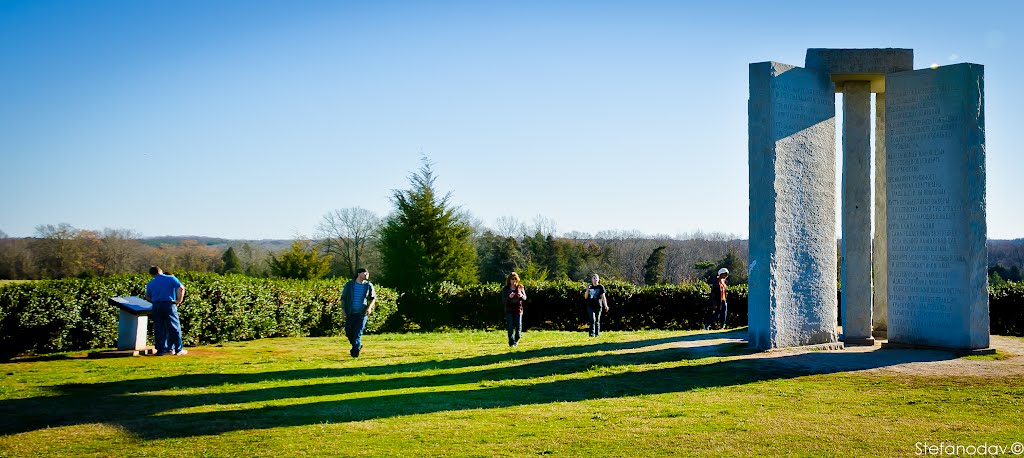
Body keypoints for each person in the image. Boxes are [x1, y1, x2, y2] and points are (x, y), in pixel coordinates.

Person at [144, 266, 187, 356]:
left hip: (156, 305)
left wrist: (156, 301)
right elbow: (181, 288)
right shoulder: (171, 278)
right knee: (174, 327)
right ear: (161, 271)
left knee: (159, 328)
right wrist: (179, 300)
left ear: (152, 274)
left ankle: (161, 350)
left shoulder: (151, 283)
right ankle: (178, 349)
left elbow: (148, 297)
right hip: (168, 304)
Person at [341, 268, 376, 358]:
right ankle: (357, 346)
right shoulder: (349, 285)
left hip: (362, 313)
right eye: (365, 273)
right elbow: (343, 298)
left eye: (367, 273)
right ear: (358, 274)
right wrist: (343, 310)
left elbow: (373, 298)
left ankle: (355, 353)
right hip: (350, 313)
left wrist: (369, 308)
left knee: (357, 333)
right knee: (348, 332)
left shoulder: (369, 285)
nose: (367, 275)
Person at [502, 272, 527, 347]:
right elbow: (503, 300)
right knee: (510, 327)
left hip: (518, 309)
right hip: (509, 310)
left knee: (518, 326)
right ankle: (511, 342)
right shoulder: (506, 289)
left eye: (515, 279)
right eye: (512, 279)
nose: (514, 280)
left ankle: (516, 339)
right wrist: (509, 297)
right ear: (509, 280)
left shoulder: (520, 287)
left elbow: (525, 298)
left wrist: (521, 295)